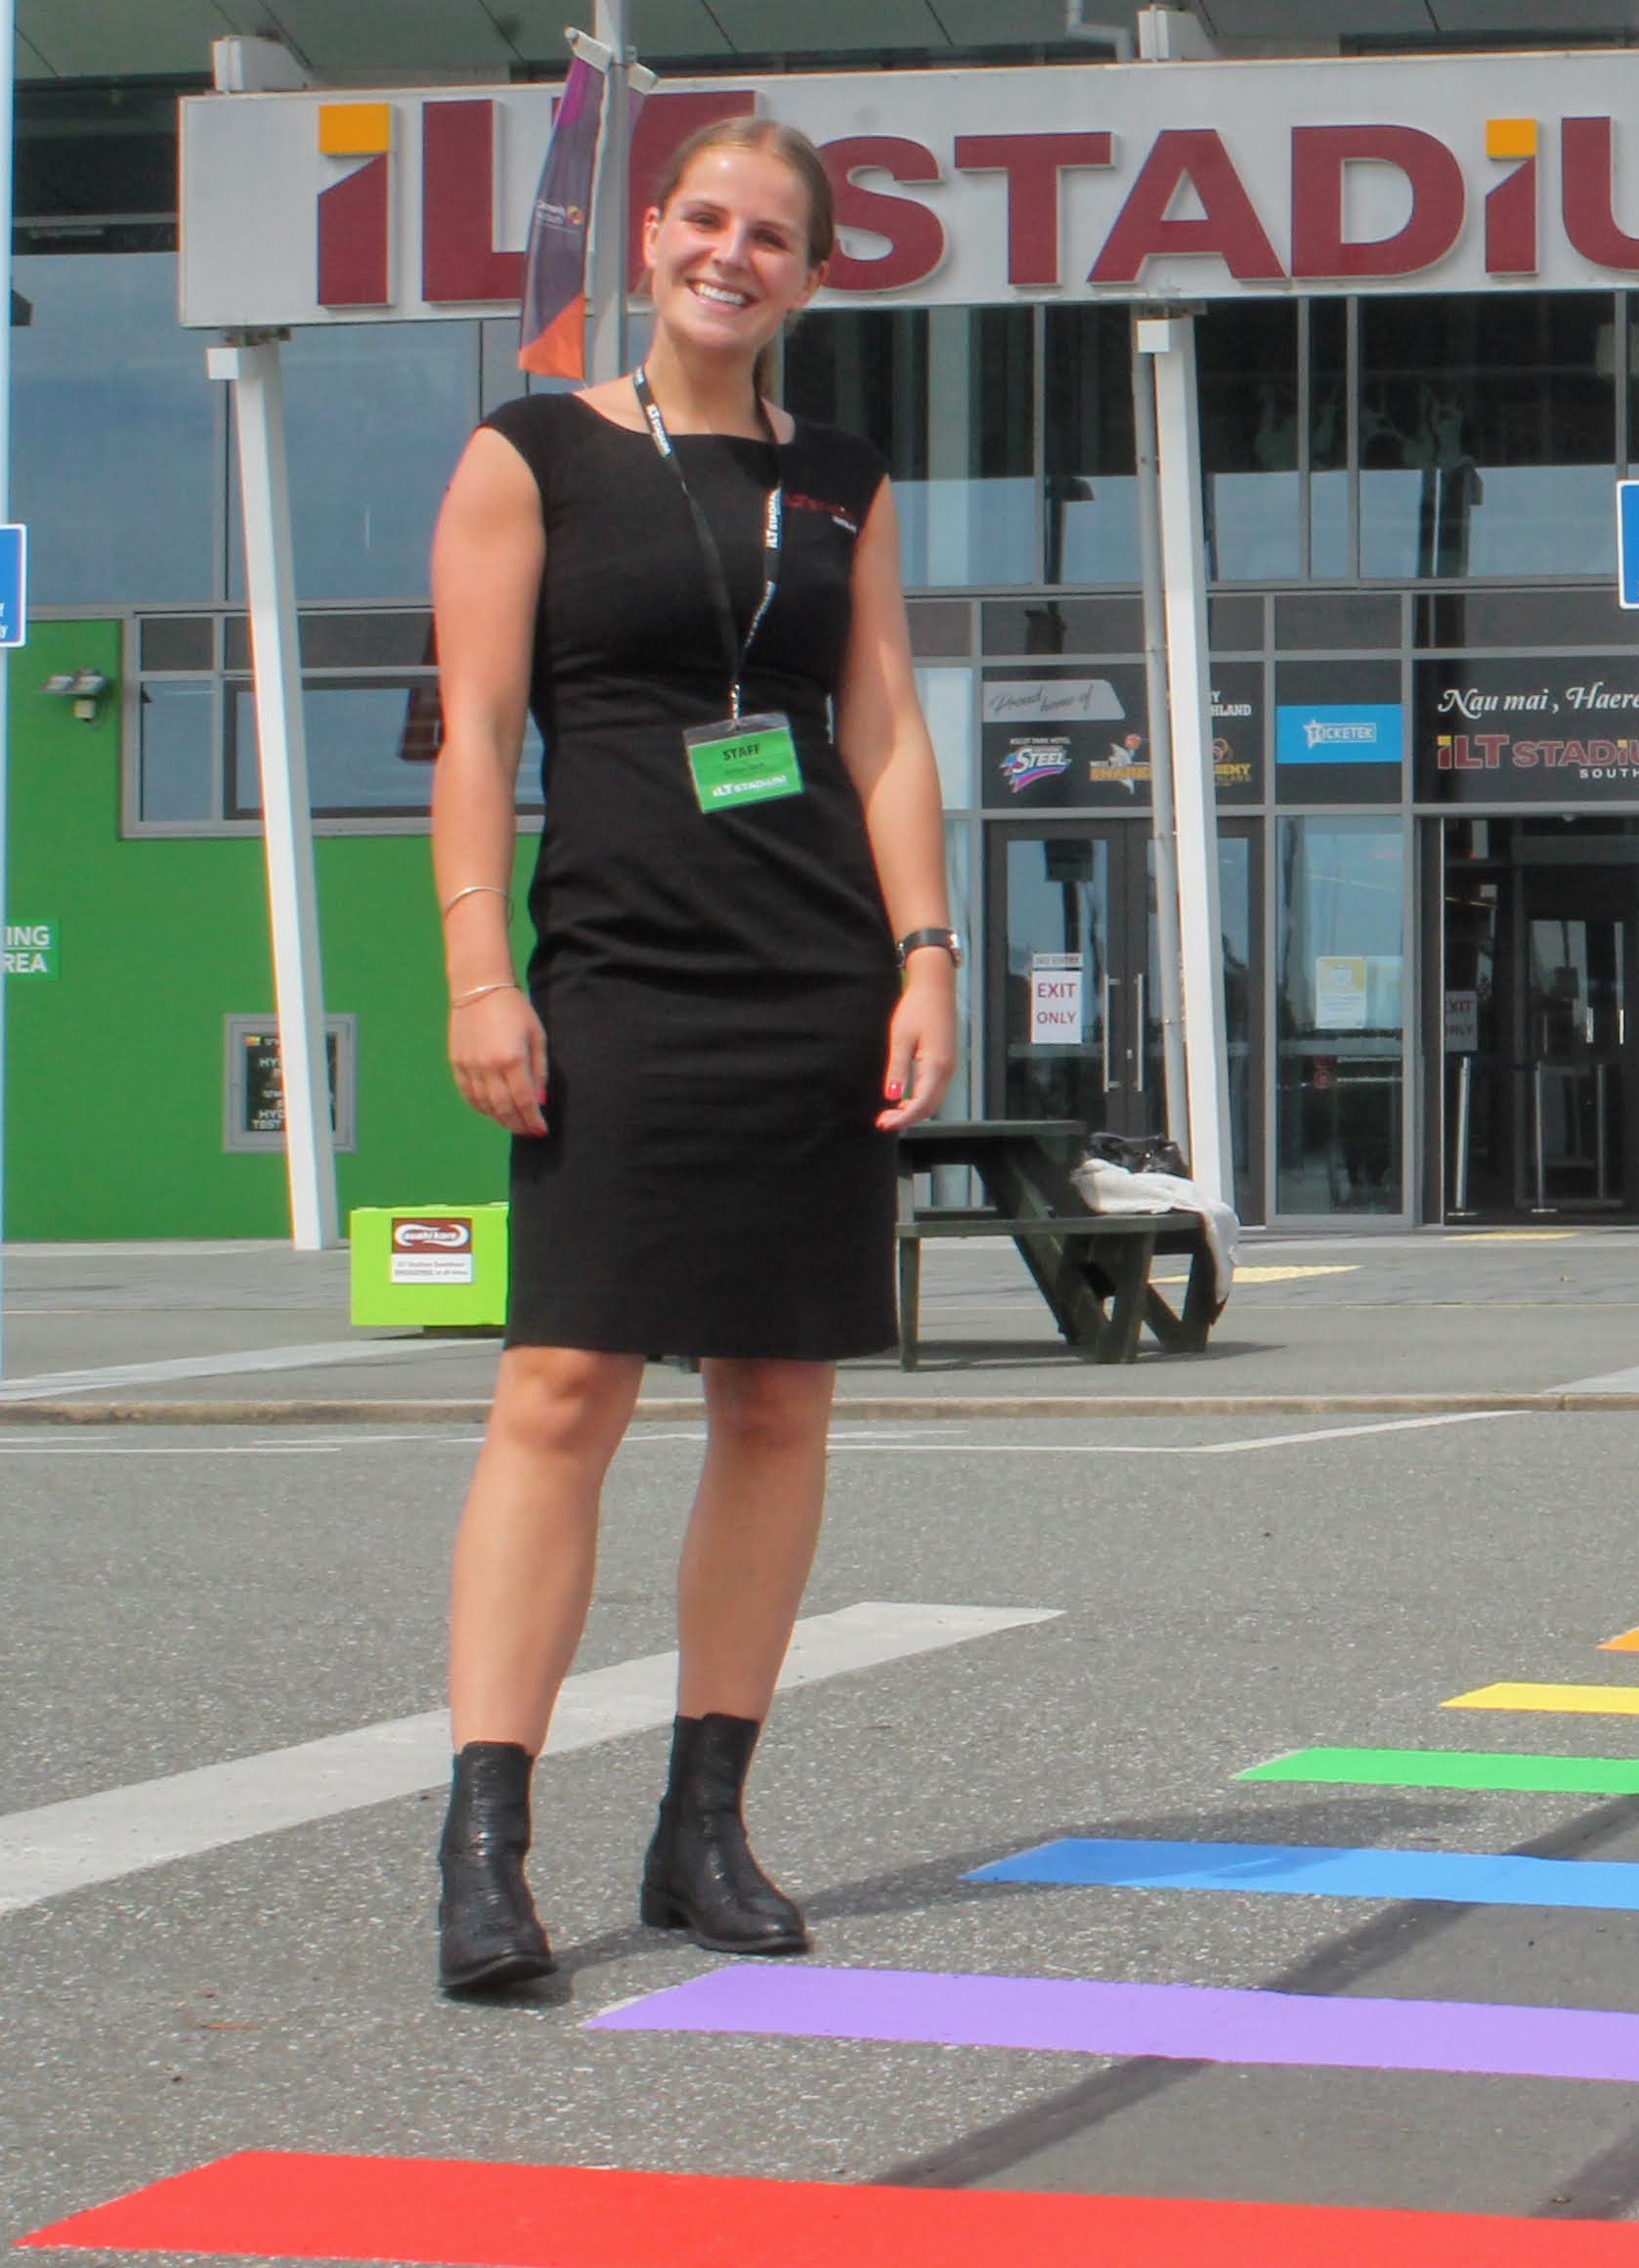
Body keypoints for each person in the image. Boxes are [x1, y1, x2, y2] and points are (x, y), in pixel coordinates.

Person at [423, 117, 958, 1993]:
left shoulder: (840, 480)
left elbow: (882, 731)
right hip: (621, 972)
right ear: (651, 237)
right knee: (559, 1389)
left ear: (813, 275)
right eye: (709, 223)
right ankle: (485, 1846)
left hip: (811, 975)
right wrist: (483, 976)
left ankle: (702, 1827)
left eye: (776, 238)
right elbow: (479, 735)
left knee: (777, 1398)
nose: (736, 256)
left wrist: (925, 958)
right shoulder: (533, 452)